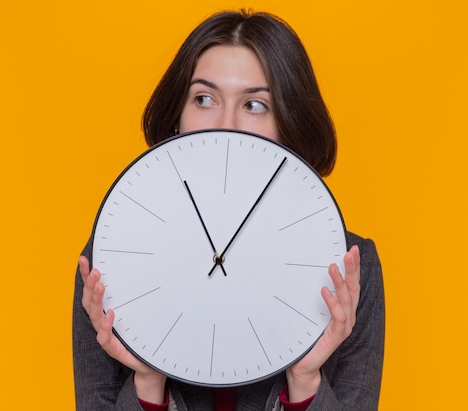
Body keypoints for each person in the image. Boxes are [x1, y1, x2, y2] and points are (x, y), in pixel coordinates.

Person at [73, 9, 385, 410]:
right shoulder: (110, 264)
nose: (226, 125)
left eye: (255, 105)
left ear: (288, 123)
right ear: (177, 119)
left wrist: (305, 382)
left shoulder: (350, 270)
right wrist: (147, 381)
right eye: (204, 99)